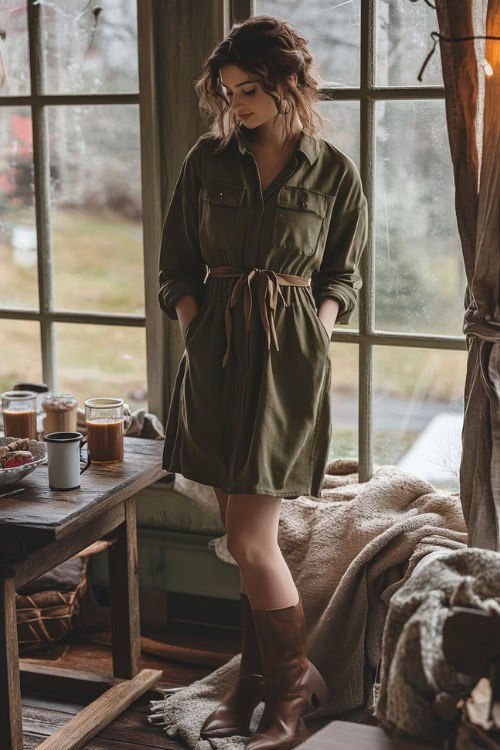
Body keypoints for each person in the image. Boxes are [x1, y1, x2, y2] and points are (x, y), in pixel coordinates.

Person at [157, 15, 368, 750]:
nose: (236, 103)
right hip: (215, 361)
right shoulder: (207, 162)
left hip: (289, 363)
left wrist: (322, 324)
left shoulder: (333, 170)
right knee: (241, 535)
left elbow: (343, 268)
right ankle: (253, 682)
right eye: (227, 91)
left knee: (251, 540)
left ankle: (288, 698)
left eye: (249, 90)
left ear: (287, 87)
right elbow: (175, 265)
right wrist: (194, 320)